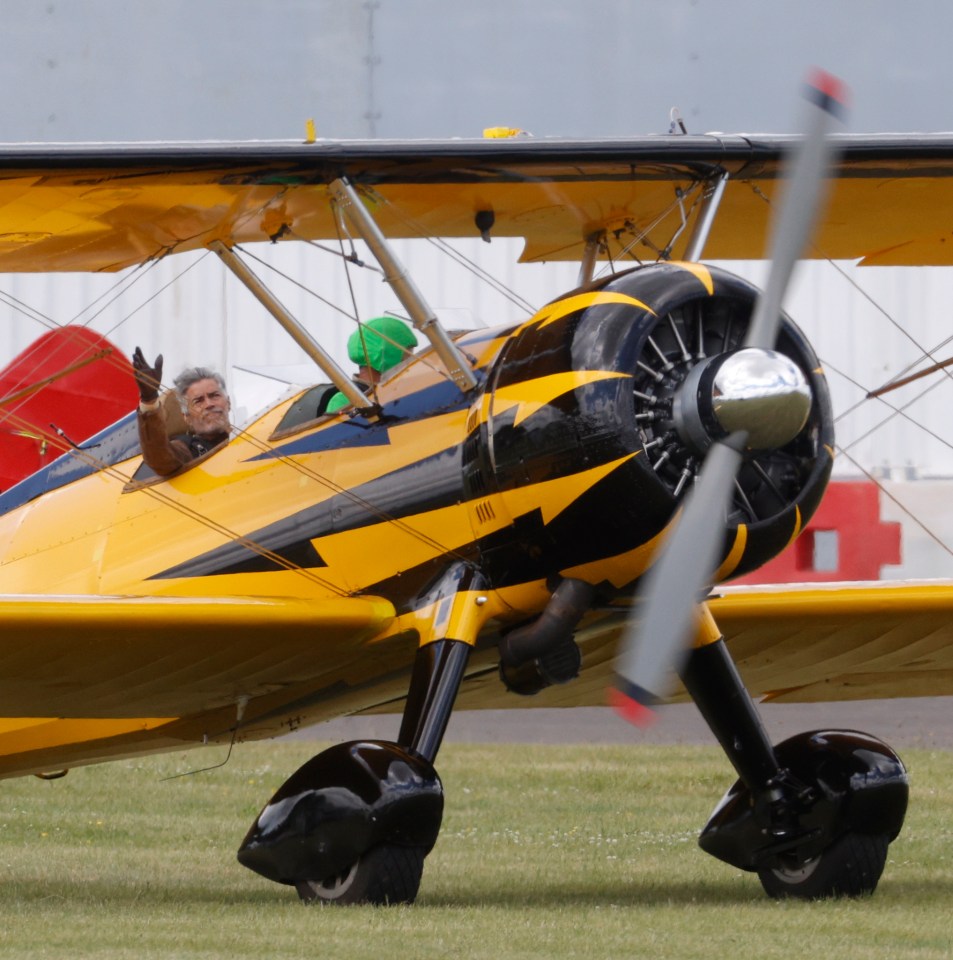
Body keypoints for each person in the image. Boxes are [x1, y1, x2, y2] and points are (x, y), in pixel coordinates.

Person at [132, 347, 232, 476]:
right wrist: (149, 398)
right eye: (198, 401)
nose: (209, 404)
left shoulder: (249, 431)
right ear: (187, 418)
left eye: (214, 395)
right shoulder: (187, 449)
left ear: (228, 403)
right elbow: (160, 458)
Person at [324, 316, 418, 414]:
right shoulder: (346, 400)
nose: (412, 361)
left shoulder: (399, 391)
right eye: (408, 355)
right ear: (384, 353)